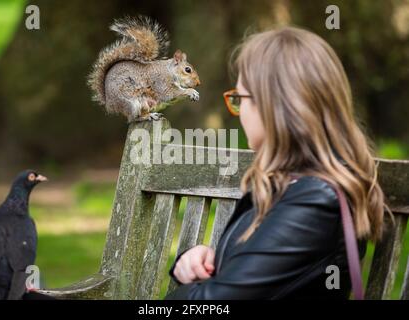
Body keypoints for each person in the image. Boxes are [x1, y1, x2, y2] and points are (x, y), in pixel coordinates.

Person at [165, 26, 391, 300]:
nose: (238, 113)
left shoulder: (315, 201)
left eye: (240, 98)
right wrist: (197, 262)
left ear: (275, 106)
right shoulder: (287, 183)